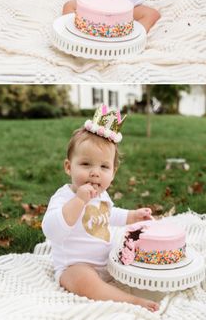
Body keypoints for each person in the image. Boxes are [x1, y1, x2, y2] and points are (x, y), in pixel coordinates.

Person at [42, 106, 159, 311]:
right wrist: (79, 202)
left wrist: (132, 216)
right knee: (83, 279)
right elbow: (51, 230)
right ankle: (130, 301)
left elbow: (108, 214)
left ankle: (134, 282)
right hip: (75, 266)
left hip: (105, 262)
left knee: (130, 248)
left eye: (104, 167)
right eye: (86, 164)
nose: (95, 173)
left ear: (113, 173)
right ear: (69, 167)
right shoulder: (65, 196)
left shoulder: (102, 195)